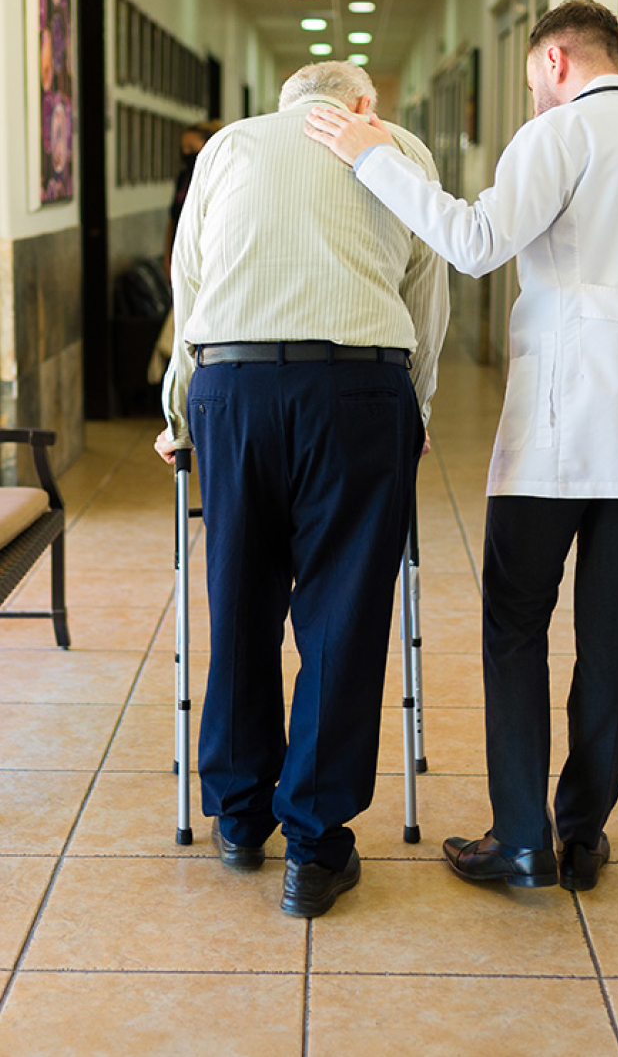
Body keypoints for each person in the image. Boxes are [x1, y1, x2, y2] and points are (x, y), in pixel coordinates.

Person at [306, 0, 618, 892]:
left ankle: (521, 839)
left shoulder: (560, 137)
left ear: (553, 59)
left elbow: (472, 243)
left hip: (561, 430)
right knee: (611, 637)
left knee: (515, 622)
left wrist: (370, 157)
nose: (534, 95)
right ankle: (582, 836)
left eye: (534, 77)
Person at [154, 61, 449, 918]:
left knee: (240, 597)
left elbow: (191, 284)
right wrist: (418, 406)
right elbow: (426, 300)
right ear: (360, 105)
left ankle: (242, 819)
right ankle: (314, 851)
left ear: (285, 106)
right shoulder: (397, 150)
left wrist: (180, 413)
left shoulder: (229, 148)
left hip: (234, 388)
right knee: (343, 615)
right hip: (360, 392)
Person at [148, 120, 224, 385]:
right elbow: (173, 219)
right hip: (183, 254)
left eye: (192, 147)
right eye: (184, 148)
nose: (187, 153)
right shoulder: (184, 177)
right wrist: (168, 257)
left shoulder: (218, 173)